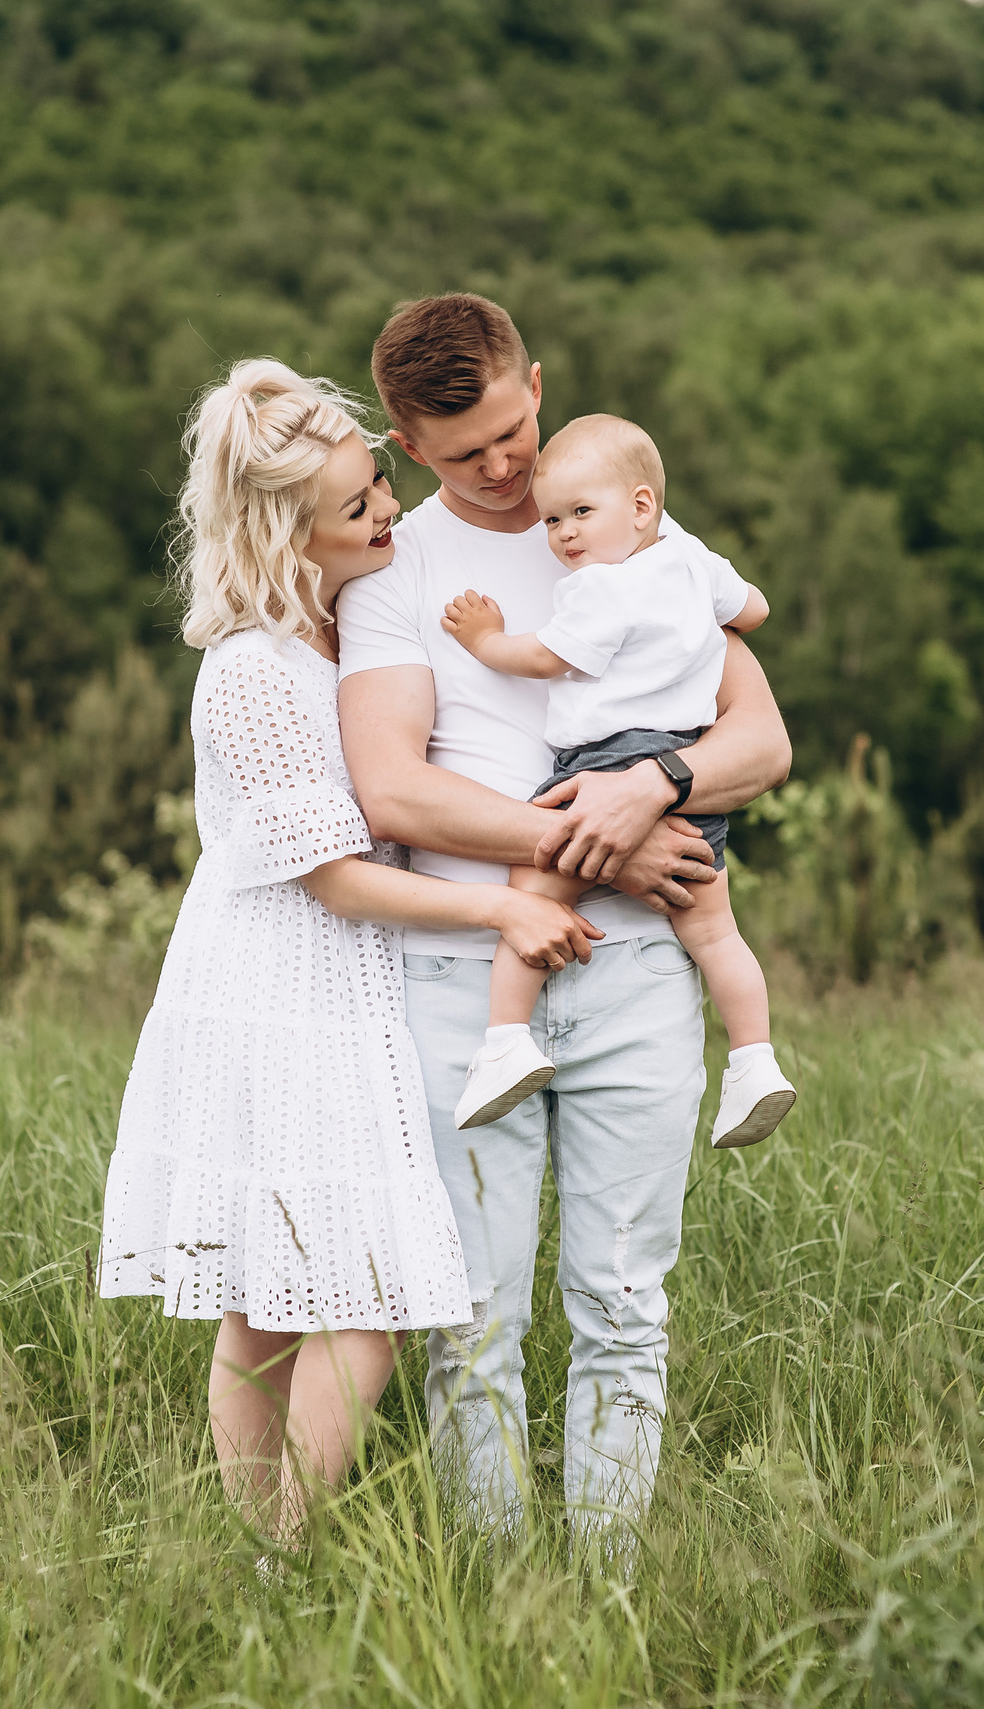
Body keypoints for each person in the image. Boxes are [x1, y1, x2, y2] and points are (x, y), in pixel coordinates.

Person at [96, 358, 604, 1550]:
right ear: (286, 535)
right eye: (356, 507)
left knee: (293, 1295)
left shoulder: (350, 622)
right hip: (280, 980)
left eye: (377, 482)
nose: (386, 510)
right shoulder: (252, 674)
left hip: (357, 975)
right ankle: (280, 1548)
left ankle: (266, 1554)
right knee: (341, 1296)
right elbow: (327, 876)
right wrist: (499, 913)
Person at [336, 295, 792, 1552]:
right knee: (471, 1318)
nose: (503, 467)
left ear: (535, 383)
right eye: (462, 448)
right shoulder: (395, 565)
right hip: (461, 974)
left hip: (643, 969)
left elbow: (761, 738)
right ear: (407, 442)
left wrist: (656, 785)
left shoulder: (626, 524)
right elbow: (393, 788)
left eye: (513, 428)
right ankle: (492, 1597)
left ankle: (607, 1599)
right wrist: (590, 840)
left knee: (623, 1301)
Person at [439, 413, 798, 1150]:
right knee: (716, 932)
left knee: (528, 900)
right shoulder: (692, 559)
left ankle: (504, 1041)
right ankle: (754, 1060)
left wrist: (484, 640)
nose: (564, 535)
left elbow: (544, 659)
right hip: (686, 766)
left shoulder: (601, 589)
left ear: (639, 507)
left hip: (600, 763)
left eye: (579, 513)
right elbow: (755, 609)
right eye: (551, 521)